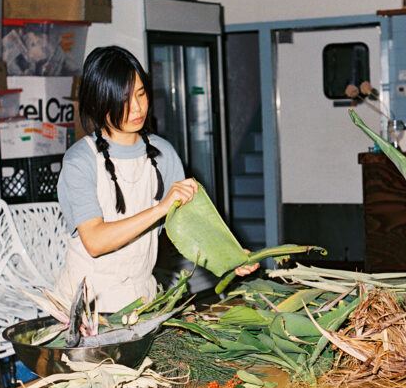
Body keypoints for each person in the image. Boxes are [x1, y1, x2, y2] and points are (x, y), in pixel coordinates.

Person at [55, 45, 257, 313]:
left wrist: (229, 257)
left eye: (141, 94)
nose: (137, 108)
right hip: (87, 306)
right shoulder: (80, 161)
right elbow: (95, 242)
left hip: (141, 300)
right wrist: (161, 208)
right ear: (100, 104)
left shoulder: (163, 153)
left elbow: (190, 227)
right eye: (124, 101)